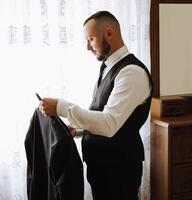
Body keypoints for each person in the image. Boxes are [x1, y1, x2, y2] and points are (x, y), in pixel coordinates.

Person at [39, 10, 152, 200]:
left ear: (109, 33)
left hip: (119, 171)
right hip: (102, 168)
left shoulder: (132, 73)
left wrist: (61, 107)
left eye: (91, 39)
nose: (88, 47)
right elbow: (103, 115)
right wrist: (79, 130)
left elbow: (108, 124)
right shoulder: (108, 67)